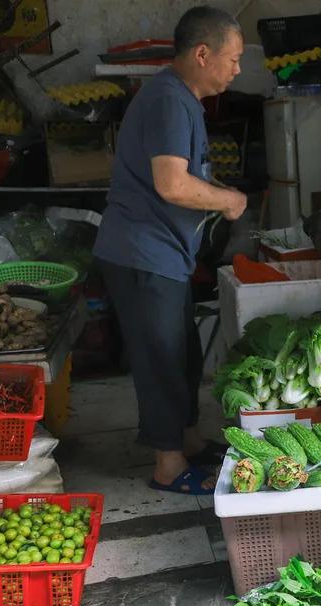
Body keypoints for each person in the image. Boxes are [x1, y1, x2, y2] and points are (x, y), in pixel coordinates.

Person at [93, 6, 247, 495]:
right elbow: (172, 184)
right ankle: (168, 465)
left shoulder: (180, 99)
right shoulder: (168, 101)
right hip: (144, 253)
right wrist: (229, 200)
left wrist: (218, 189)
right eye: (233, 58)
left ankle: (188, 439)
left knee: (181, 352)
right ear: (203, 54)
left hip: (163, 254)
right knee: (160, 356)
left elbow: (188, 176)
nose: (237, 70)